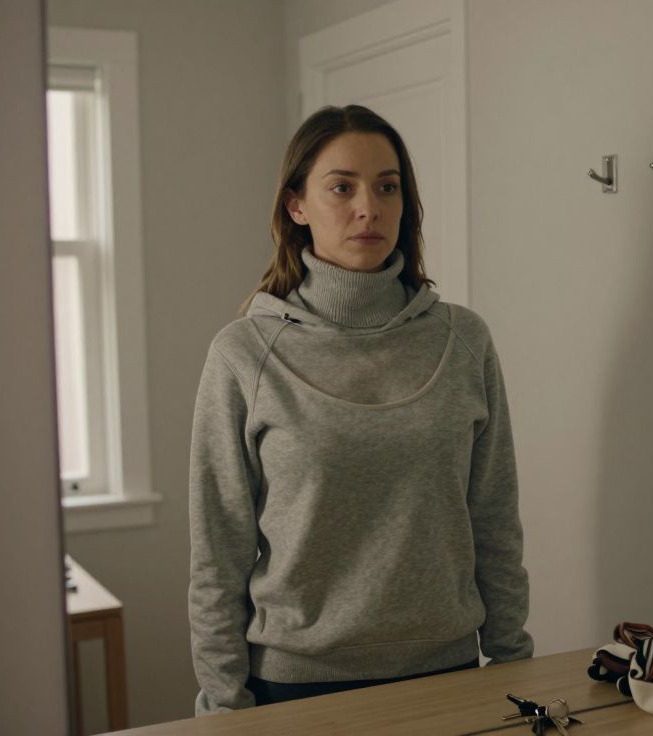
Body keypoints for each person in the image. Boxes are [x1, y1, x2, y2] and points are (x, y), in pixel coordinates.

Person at [187, 104, 532, 713]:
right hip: (296, 684)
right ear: (296, 205)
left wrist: (511, 665)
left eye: (387, 187)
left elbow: (495, 518)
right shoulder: (244, 352)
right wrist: (222, 704)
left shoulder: (463, 340)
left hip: (449, 673)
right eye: (341, 187)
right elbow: (219, 550)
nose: (368, 208)